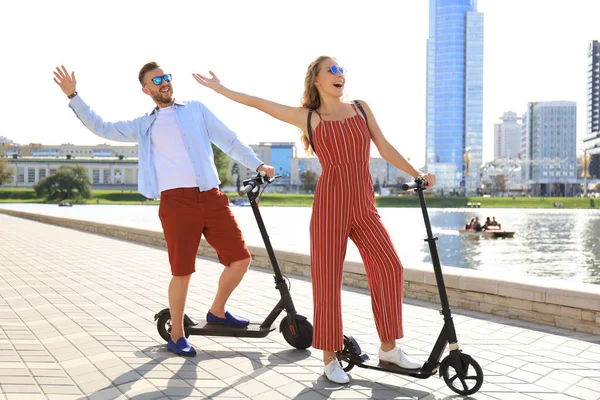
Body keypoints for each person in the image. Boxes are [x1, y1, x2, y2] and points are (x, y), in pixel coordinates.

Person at [191, 56, 437, 383]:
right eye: (331, 70)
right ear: (317, 80)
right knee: (327, 280)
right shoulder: (309, 118)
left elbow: (385, 148)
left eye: (341, 70)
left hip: (364, 204)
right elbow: (259, 103)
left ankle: (389, 349)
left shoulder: (361, 109)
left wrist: (417, 173)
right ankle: (329, 356)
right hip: (329, 205)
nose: (339, 74)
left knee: (390, 265)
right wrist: (221, 89)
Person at [53, 63, 275, 357]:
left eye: (167, 77)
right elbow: (102, 127)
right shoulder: (145, 124)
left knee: (241, 259)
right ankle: (177, 335)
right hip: (176, 204)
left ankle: (217, 311)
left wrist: (257, 164)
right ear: (146, 89)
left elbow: (228, 140)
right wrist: (74, 96)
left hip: (211, 197)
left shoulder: (196, 110)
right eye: (157, 80)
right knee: (182, 271)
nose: (164, 82)